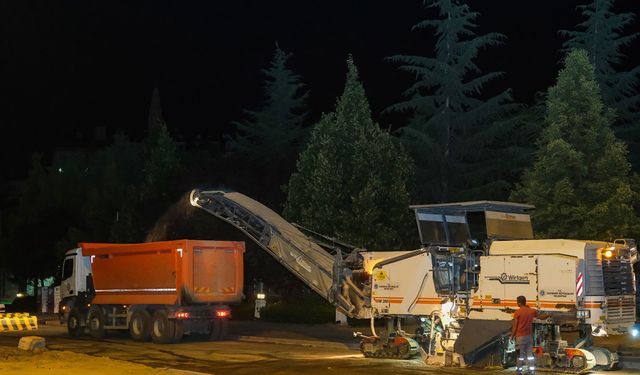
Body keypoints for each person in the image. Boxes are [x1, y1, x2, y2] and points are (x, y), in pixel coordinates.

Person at [510, 295, 549, 374]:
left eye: (517, 302)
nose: (517, 304)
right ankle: (531, 371)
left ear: (520, 303)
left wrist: (512, 336)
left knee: (520, 356)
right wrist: (548, 315)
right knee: (530, 356)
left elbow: (515, 326)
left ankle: (519, 372)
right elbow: (541, 317)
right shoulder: (532, 311)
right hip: (529, 337)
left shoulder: (517, 312)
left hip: (520, 337)